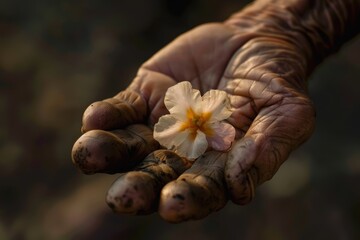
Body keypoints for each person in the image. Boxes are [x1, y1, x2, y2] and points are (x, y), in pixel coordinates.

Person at [71, 0, 360, 223]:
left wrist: (282, 27)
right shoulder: (191, 120)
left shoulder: (212, 120)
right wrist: (278, 25)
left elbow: (219, 133)